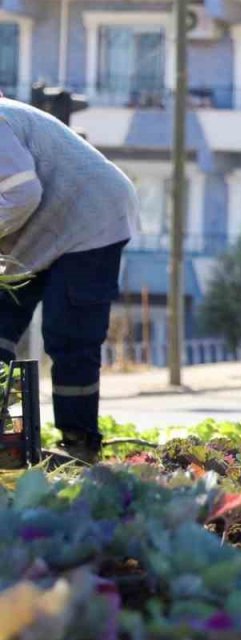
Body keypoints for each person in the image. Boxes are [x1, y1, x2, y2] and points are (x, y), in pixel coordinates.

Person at [0, 98, 138, 463]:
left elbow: (22, 193)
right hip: (34, 235)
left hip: (89, 219)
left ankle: (79, 444)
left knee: (69, 334)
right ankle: (7, 441)